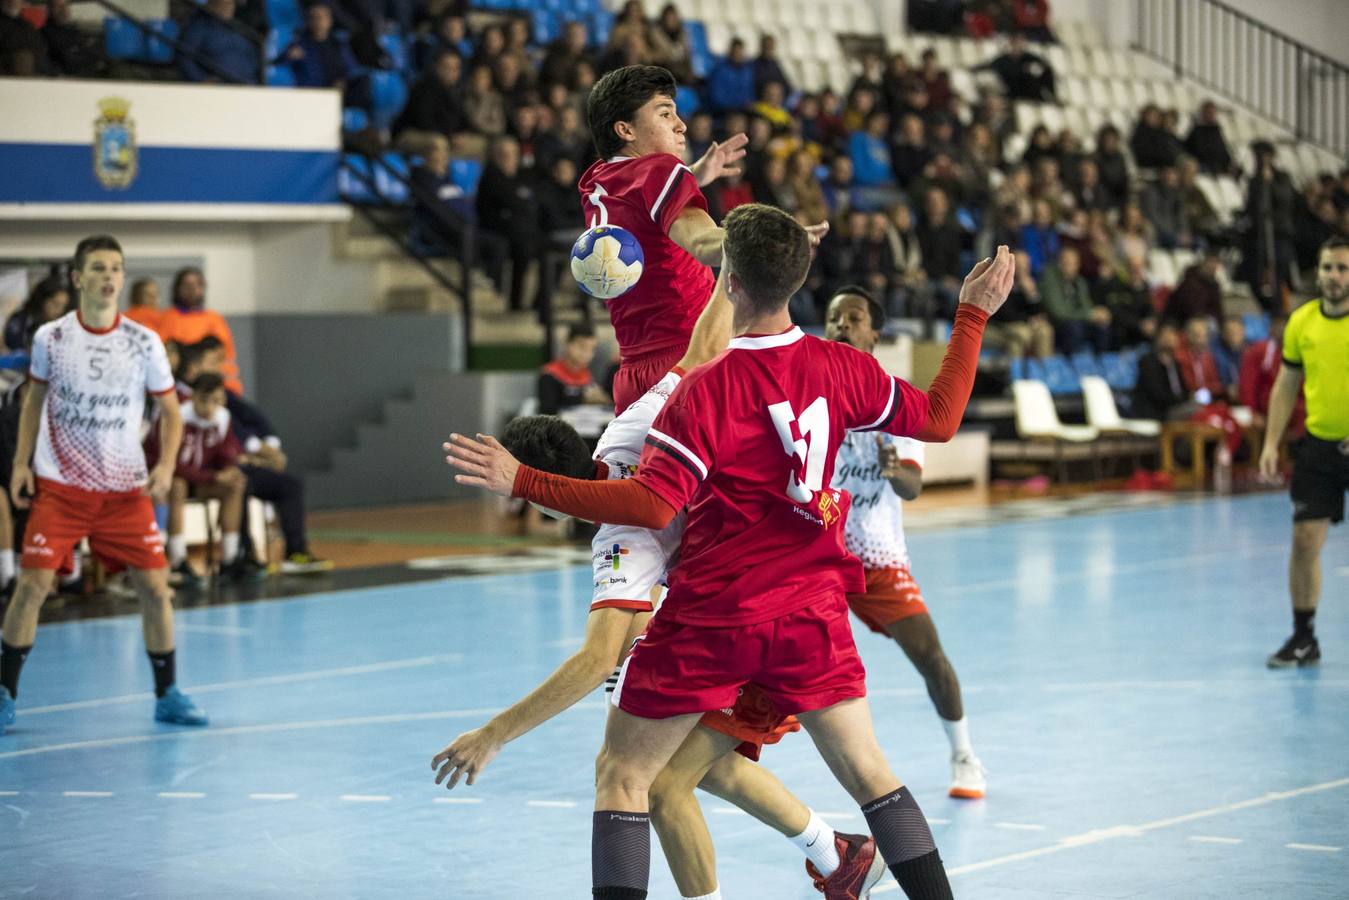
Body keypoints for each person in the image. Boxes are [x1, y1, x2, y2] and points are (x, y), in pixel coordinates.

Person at [445, 205, 1016, 900]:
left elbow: (653, 505)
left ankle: (825, 855)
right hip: (810, 612)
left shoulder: (701, 390)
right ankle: (843, 858)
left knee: (625, 777)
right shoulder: (842, 367)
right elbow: (939, 417)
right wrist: (971, 315)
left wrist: (524, 481)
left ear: (729, 280)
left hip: (715, 618)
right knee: (871, 776)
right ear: (797, 281)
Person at [434, 273, 888, 899]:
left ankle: (840, 854)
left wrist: (493, 735)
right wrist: (734, 269)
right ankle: (838, 854)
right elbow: (703, 349)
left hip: (751, 619)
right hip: (789, 585)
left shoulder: (620, 539)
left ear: (547, 499)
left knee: (649, 779)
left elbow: (595, 659)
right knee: (693, 768)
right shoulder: (630, 425)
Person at [0, 235, 207, 733]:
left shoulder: (144, 342)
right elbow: (33, 400)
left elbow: (171, 412)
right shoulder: (51, 338)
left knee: (156, 589)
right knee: (33, 586)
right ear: (78, 278)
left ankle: (167, 695)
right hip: (62, 487)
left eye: (116, 267)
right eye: (98, 268)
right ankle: (5, 694)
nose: (109, 276)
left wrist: (165, 468)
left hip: (124, 491)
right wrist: (21, 464)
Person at [824, 286, 987, 799]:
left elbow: (913, 487)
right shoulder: (811, 395)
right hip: (814, 555)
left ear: (874, 332)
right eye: (833, 318)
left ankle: (965, 756)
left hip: (874, 558)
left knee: (930, 656)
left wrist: (894, 470)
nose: (841, 326)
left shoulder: (894, 401)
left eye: (853, 318)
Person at [579, 65, 806, 414]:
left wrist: (691, 176)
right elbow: (705, 245)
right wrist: (771, 238)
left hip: (634, 376)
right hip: (691, 362)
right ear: (625, 129)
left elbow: (640, 212)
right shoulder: (659, 171)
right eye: (665, 113)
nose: (680, 124)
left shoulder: (599, 179)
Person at [1258, 238, 1349, 668]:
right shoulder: (1302, 322)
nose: (1335, 276)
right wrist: (1271, 442)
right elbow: (1286, 386)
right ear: (1318, 271)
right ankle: (1303, 637)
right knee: (1304, 541)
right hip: (1320, 448)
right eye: (1329, 267)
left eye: (1343, 269)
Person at [157, 267, 244, 394]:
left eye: (197, 284)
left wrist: (229, 388)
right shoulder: (166, 319)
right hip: (178, 388)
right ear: (177, 289)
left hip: (214, 387)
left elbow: (227, 358)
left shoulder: (215, 319)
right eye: (187, 285)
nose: (192, 289)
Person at [177, 0, 259, 83]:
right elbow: (184, 56)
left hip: (247, 84)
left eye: (230, 5)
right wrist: (200, 80)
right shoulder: (199, 26)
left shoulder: (240, 28)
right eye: (224, 4)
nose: (228, 8)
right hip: (218, 88)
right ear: (213, 5)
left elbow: (252, 56)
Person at [539, 324, 610, 414]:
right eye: (582, 347)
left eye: (592, 349)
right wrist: (583, 399)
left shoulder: (588, 377)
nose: (586, 353)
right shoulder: (549, 375)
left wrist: (603, 399)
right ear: (568, 344)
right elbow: (548, 410)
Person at [3, 277, 70, 353]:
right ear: (41, 300)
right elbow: (13, 347)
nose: (59, 310)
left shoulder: (60, 325)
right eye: (55, 304)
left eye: (63, 306)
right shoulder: (20, 320)